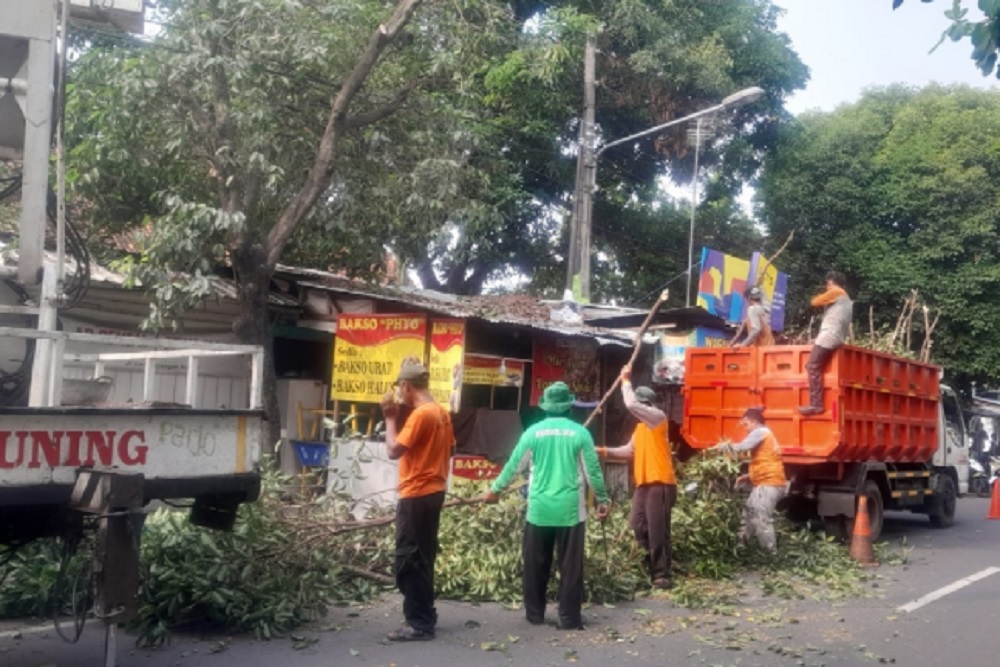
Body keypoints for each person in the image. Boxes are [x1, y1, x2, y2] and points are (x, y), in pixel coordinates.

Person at [484, 382, 609, 630]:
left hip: (539, 510)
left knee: (535, 565)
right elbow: (592, 471)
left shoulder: (532, 433)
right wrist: (602, 501)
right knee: (571, 569)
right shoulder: (580, 433)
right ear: (568, 407)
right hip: (571, 512)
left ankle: (535, 614)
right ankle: (570, 618)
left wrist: (495, 490)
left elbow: (514, 465)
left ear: (546, 408)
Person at [380, 358, 455, 642]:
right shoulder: (441, 412)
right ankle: (426, 613)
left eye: (400, 388)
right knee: (423, 556)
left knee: (409, 559)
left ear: (407, 385)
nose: (400, 393)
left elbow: (394, 450)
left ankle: (419, 623)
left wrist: (389, 418)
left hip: (417, 493)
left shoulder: (422, 414)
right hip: (433, 491)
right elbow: (449, 451)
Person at [597, 366, 676, 589]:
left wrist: (625, 381)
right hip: (644, 483)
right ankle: (645, 564)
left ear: (647, 405)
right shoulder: (641, 429)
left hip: (660, 482)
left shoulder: (659, 418)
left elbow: (631, 404)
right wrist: (602, 450)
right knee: (638, 524)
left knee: (657, 528)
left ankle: (662, 574)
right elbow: (628, 451)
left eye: (641, 406)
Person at [709, 407, 787, 552]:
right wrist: (749, 477)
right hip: (766, 481)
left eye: (745, 424)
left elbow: (742, 447)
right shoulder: (766, 434)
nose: (745, 429)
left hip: (769, 483)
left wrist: (721, 448)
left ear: (754, 421)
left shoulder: (761, 432)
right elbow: (765, 460)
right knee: (749, 513)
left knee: (761, 517)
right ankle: (741, 546)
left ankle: (771, 554)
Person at [799, 271, 853, 415]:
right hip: (836, 336)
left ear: (830, 282)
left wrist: (821, 296)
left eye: (827, 284)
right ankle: (817, 403)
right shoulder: (846, 297)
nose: (827, 287)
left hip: (829, 335)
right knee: (817, 365)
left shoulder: (836, 291)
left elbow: (815, 302)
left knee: (812, 365)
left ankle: (816, 404)